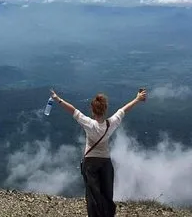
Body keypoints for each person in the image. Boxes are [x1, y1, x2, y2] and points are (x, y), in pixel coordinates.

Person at [50, 88, 148, 217]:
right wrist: (137, 99)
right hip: (105, 162)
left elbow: (72, 110)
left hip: (90, 162)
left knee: (92, 195)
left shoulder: (89, 124)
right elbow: (124, 110)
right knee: (107, 193)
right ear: (105, 109)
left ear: (92, 110)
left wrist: (57, 99)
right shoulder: (111, 124)